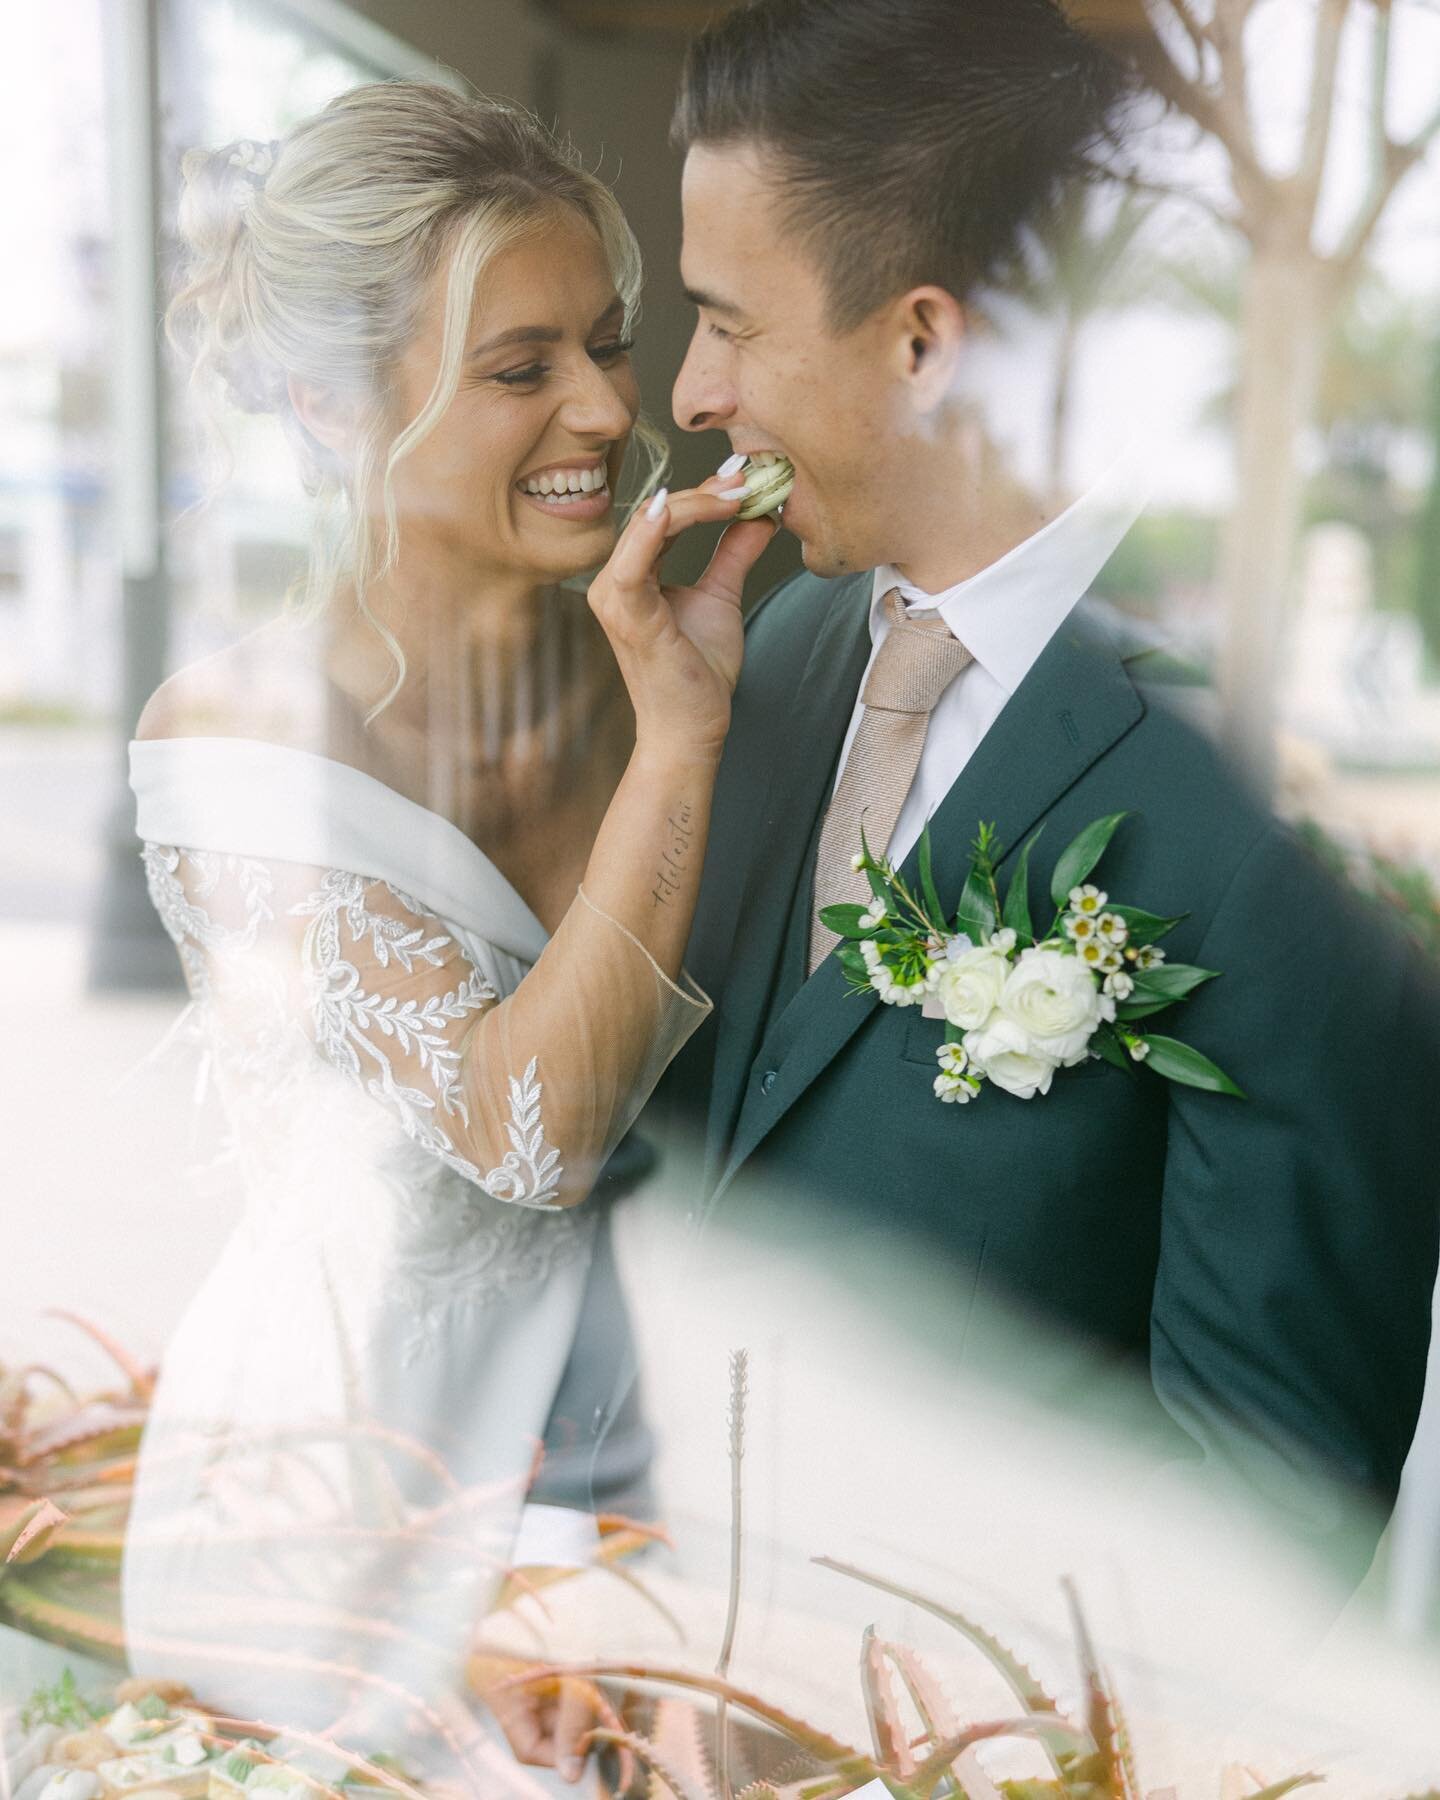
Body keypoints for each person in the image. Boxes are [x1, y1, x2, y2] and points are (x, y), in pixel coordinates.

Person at [660, 0, 1440, 1581]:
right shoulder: (773, 650)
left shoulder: (1280, 816)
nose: (689, 392)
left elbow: (1260, 1534)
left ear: (927, 342)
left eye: (729, 323)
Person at [121, 80, 773, 1784]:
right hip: (350, 1503)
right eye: (520, 368)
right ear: (341, 412)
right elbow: (527, 1132)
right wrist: (684, 743)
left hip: (672, 1469)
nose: (608, 410)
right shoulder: (235, 744)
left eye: (607, 345)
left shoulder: (667, 649)